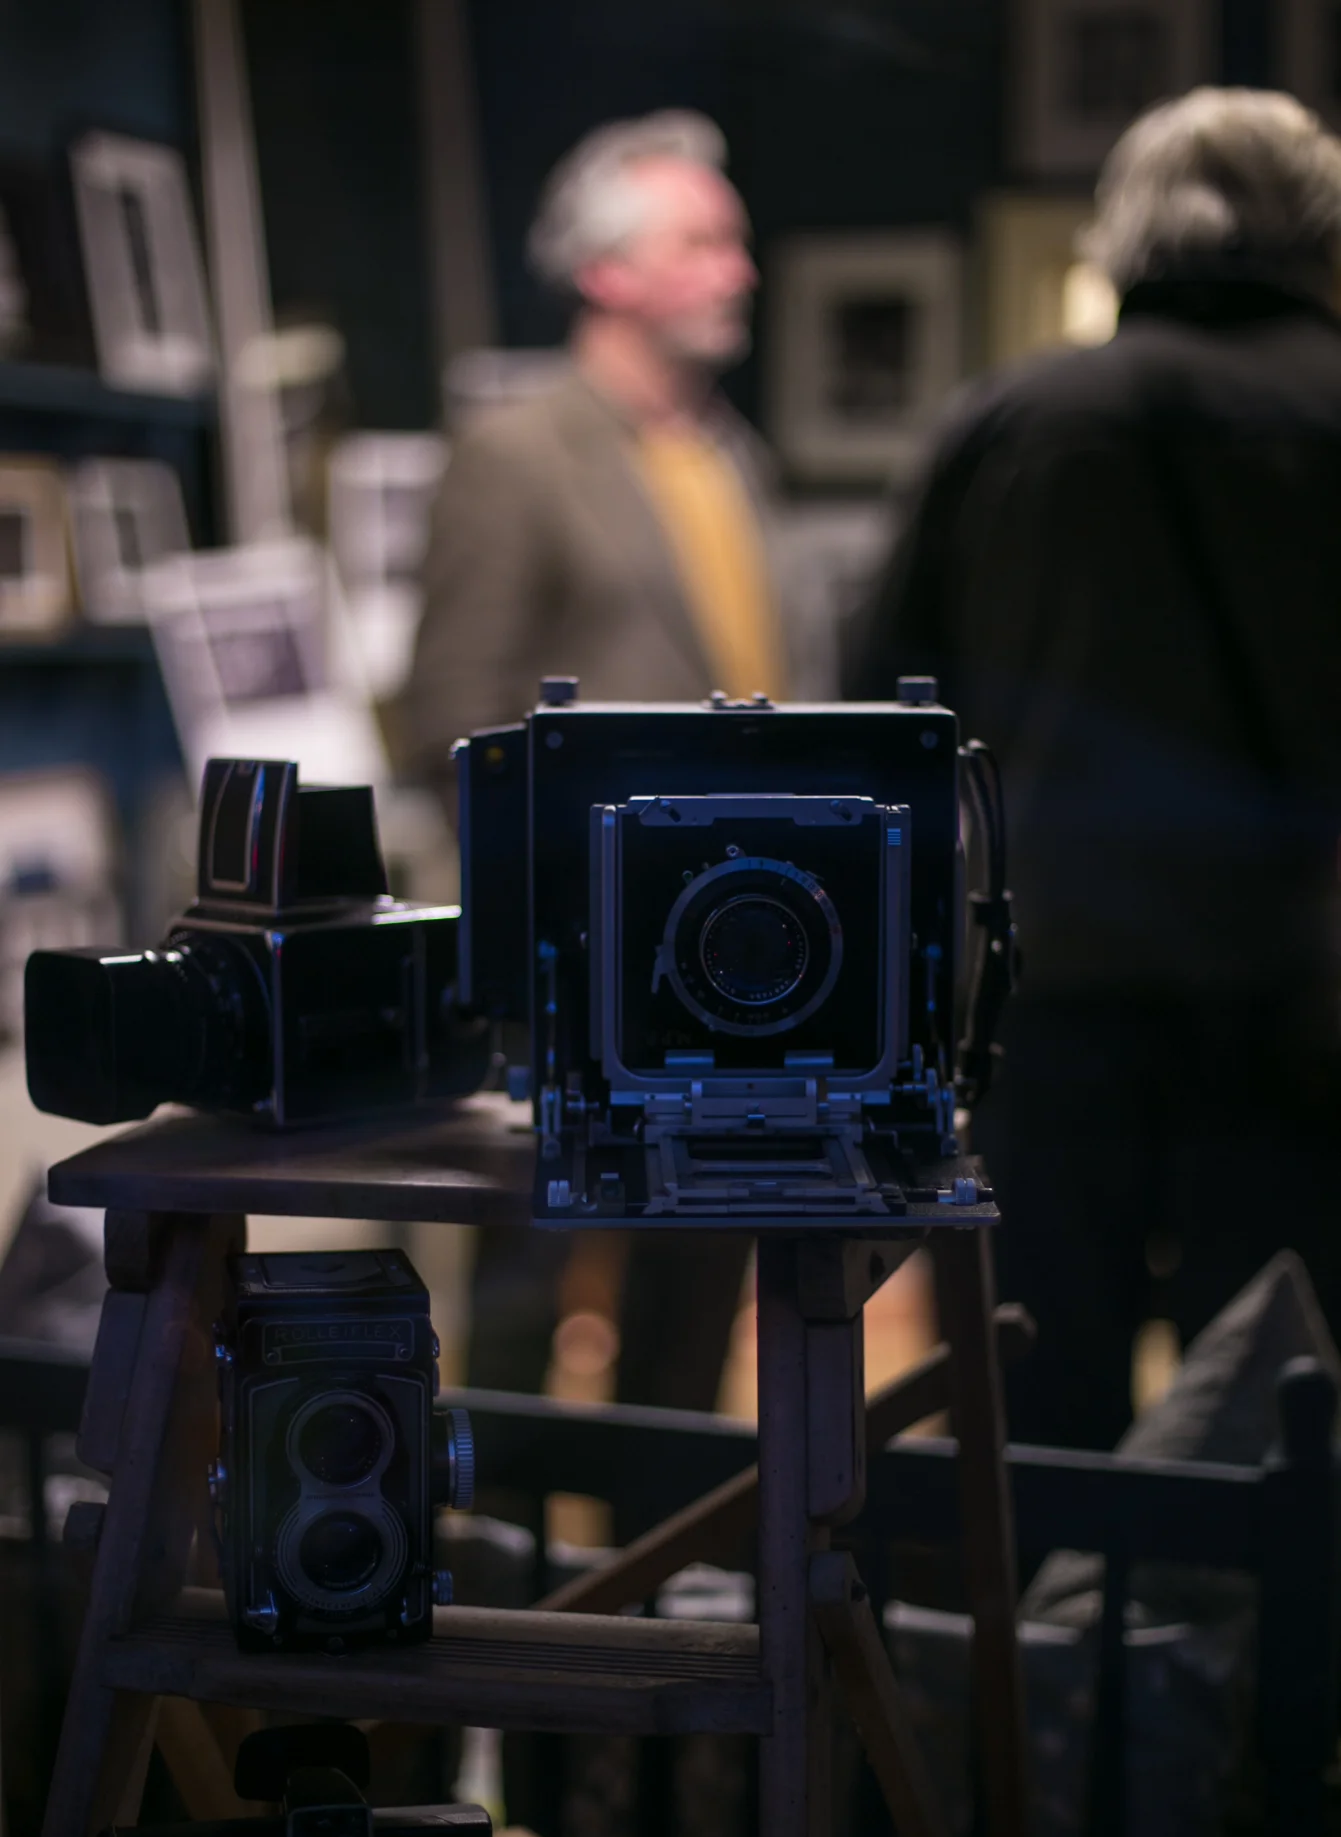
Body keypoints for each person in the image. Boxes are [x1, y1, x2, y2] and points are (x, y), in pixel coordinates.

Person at [846, 88, 1341, 1449]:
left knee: (1040, 1389)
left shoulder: (1012, 423)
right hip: (1305, 1008)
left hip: (1052, 998)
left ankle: (1046, 1654)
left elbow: (884, 707)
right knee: (1286, 1408)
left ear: (1123, 240)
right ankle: (1268, 1663)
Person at [391, 110, 786, 1416]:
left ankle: (661, 1581)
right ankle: (500, 1569)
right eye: (703, 239)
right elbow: (445, 716)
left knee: (694, 1309)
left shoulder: (731, 458)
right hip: (574, 964)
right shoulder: (517, 453)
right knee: (522, 1304)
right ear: (606, 272)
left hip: (735, 955)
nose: (740, 267)